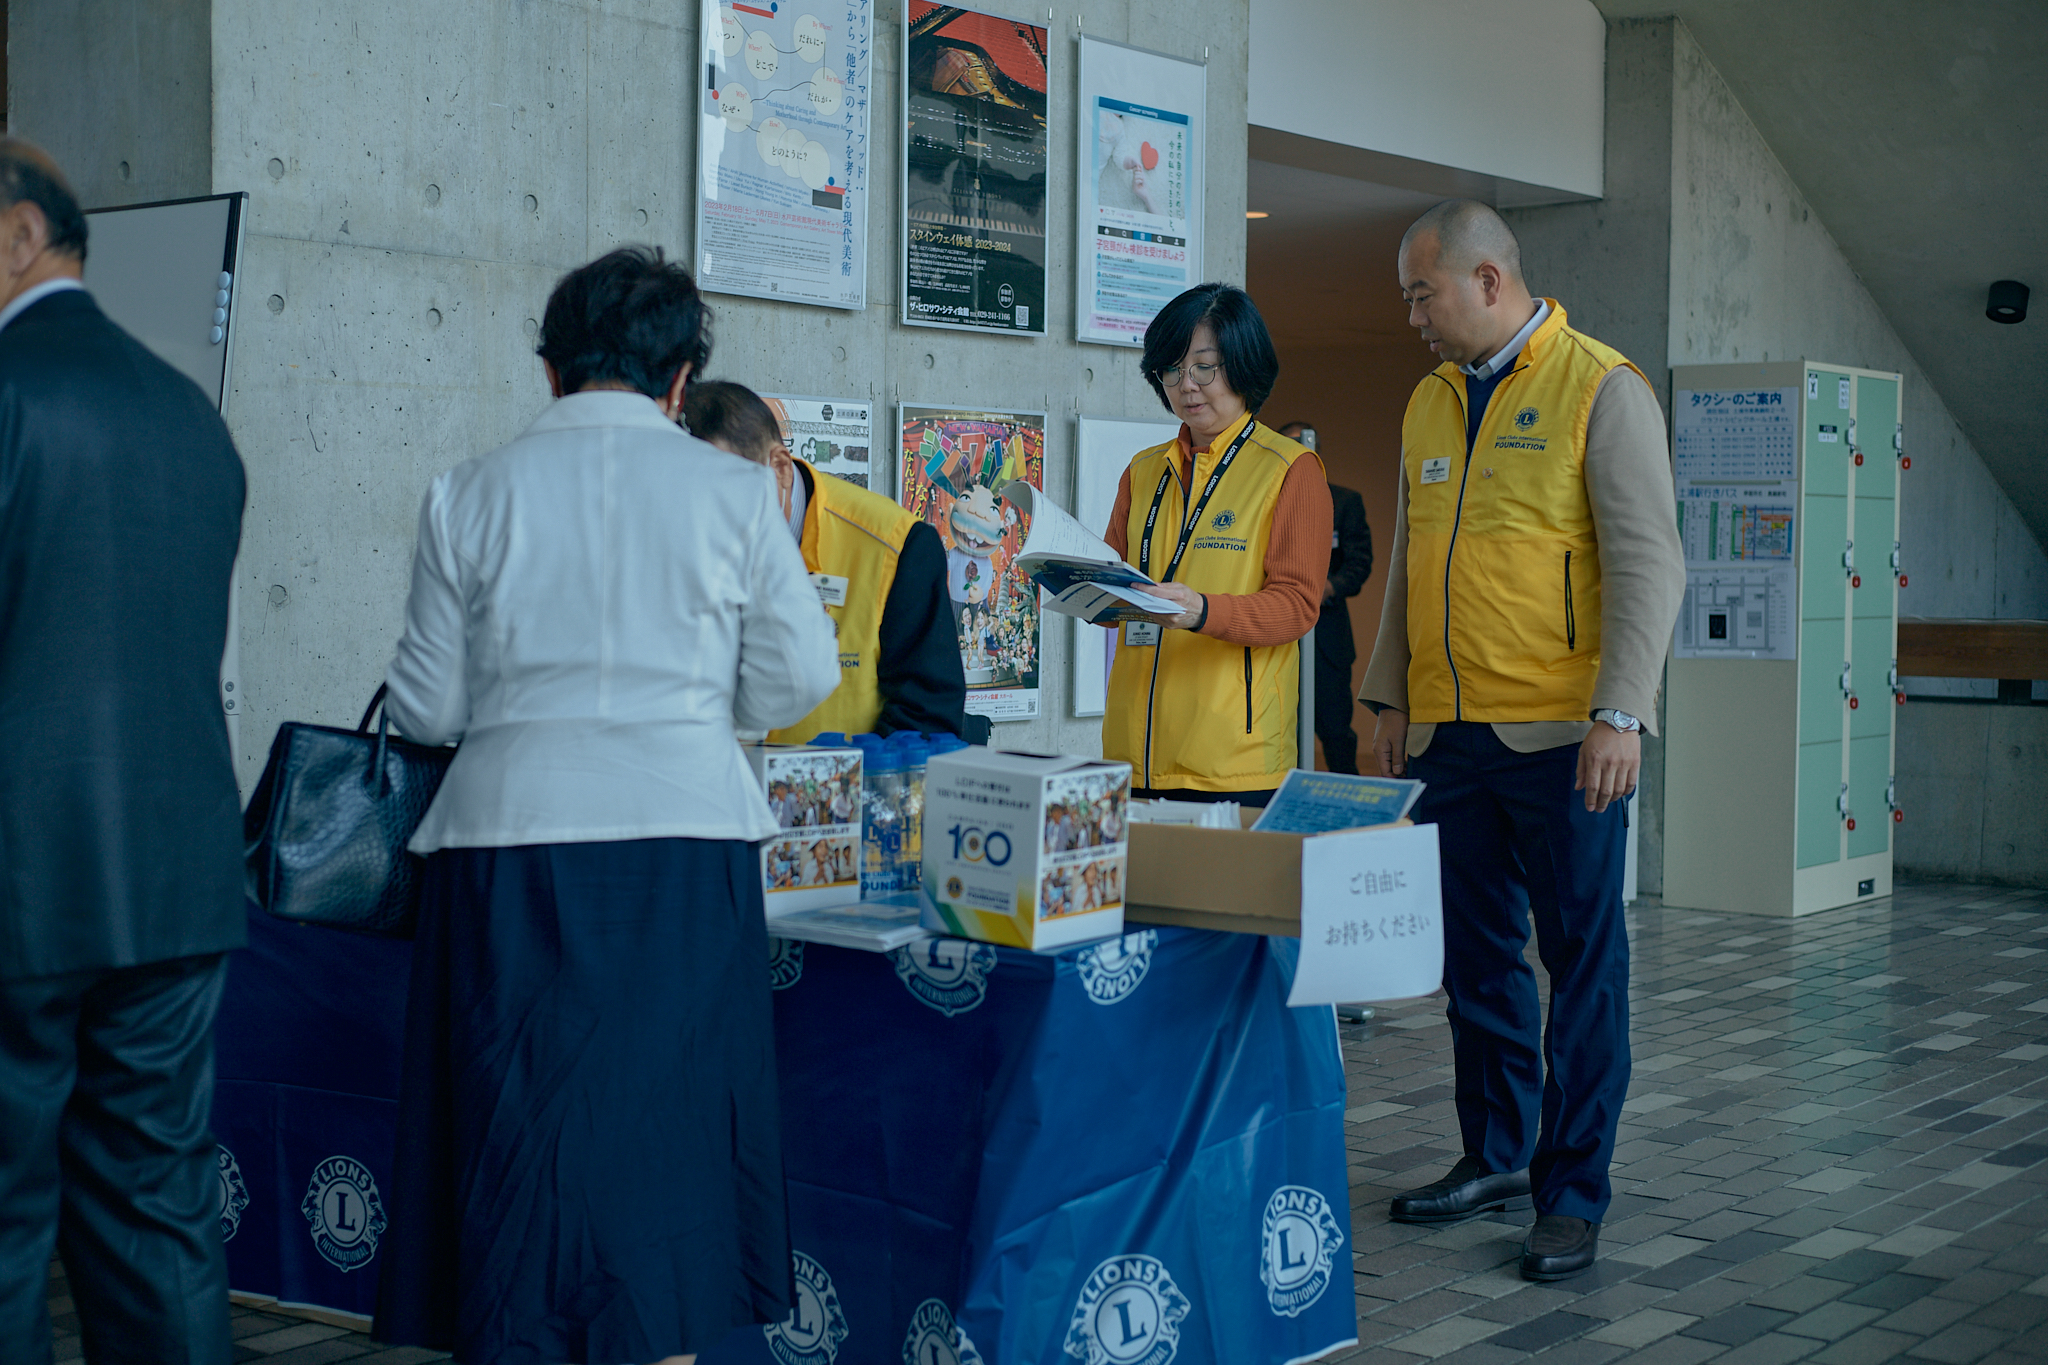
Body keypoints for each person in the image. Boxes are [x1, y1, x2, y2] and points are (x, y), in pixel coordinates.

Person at [373, 247, 841, 1365]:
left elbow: (426, 710)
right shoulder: (735, 492)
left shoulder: (467, 491)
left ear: (548, 370)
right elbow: (794, 683)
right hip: (684, 844)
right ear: (682, 381)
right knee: (668, 1147)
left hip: (502, 850)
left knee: (512, 1138)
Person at [1360, 201, 1685, 1282]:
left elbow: (1650, 563)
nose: (1410, 313)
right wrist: (1384, 694)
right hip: (1449, 734)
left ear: (1487, 280)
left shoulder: (1601, 386)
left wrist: (1619, 711)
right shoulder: (1428, 399)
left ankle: (1571, 1191)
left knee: (1580, 965)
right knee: (1476, 963)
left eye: (1421, 291)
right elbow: (1411, 557)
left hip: (1564, 738)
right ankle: (1495, 1155)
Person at [0, 140, 245, 1364]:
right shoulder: (189, 416)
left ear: (16, 235)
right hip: (175, 880)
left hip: (17, 885)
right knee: (158, 1221)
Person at [1101, 283, 1333, 806]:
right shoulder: (1142, 471)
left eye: (1204, 367)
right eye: (1172, 369)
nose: (1187, 386)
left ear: (1242, 364)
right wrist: (1079, 585)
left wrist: (1201, 610)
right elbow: (1116, 584)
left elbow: (1296, 608)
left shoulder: (1290, 470)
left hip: (1233, 765)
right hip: (1129, 755)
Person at [685, 380, 977, 742]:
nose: (706, 514)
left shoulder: (897, 545)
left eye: (722, 490)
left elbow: (928, 720)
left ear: (779, 467)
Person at [1279, 422, 1374, 774]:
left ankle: (1344, 808)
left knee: (1335, 731)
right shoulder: (1267, 501)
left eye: (1304, 447)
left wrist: (1326, 588)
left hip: (1328, 638)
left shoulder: (1345, 502)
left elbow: (1360, 564)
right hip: (1280, 634)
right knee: (1283, 730)